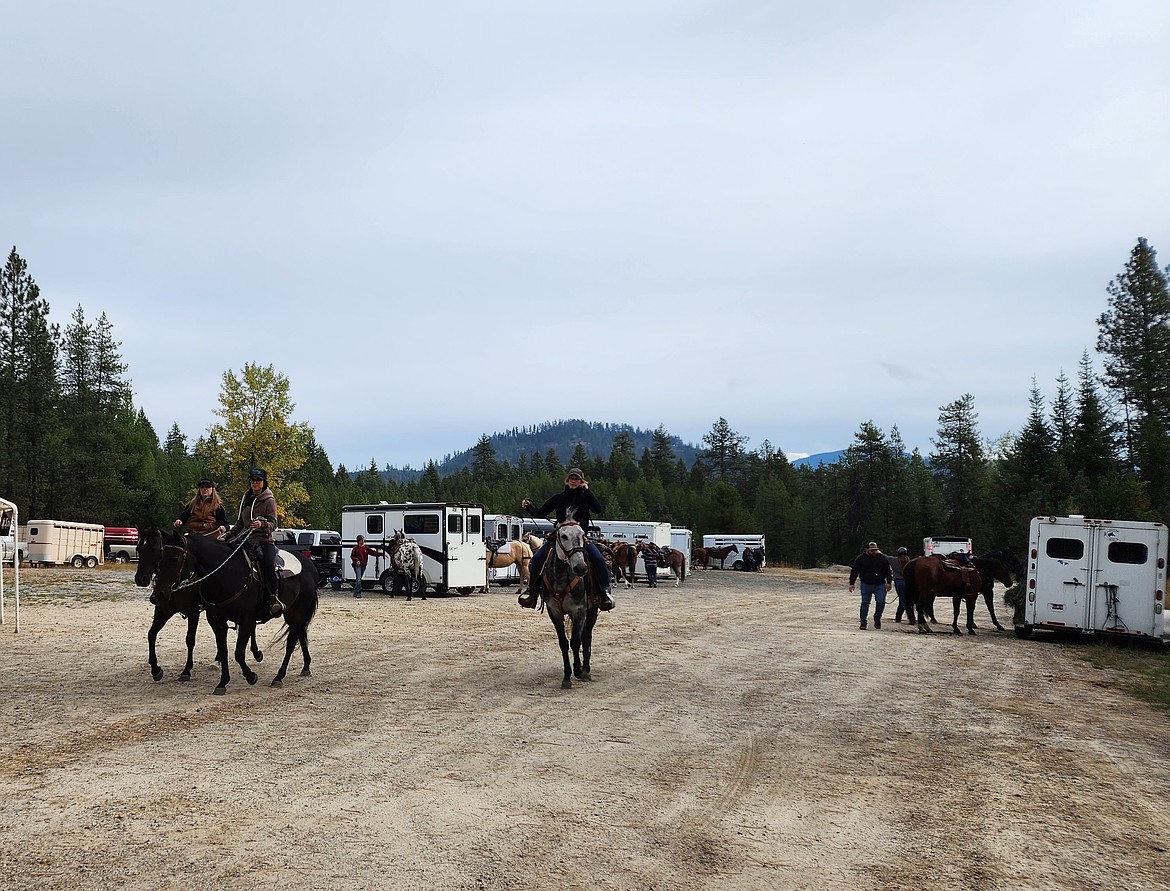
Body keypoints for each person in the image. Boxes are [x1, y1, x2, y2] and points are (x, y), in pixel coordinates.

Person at [518, 467, 614, 610]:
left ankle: (605, 592)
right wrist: (529, 507)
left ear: (582, 481)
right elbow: (541, 512)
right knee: (537, 558)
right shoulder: (559, 497)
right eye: (571, 479)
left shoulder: (585, 496)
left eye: (576, 479)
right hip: (561, 537)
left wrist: (587, 491)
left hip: (580, 537)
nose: (573, 481)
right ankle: (532, 592)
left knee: (599, 559)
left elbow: (597, 509)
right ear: (567, 480)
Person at [226, 468, 282, 620]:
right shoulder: (246, 498)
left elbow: (273, 523)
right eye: (253, 480)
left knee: (268, 564)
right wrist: (227, 536)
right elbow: (239, 523)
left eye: (258, 480)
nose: (255, 483)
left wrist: (262, 525)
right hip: (244, 538)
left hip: (263, 540)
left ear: (264, 482)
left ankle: (273, 597)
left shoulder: (269, 500)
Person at [848, 541, 893, 630]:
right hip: (866, 584)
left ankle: (877, 618)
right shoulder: (860, 559)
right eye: (872, 550)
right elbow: (855, 571)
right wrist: (851, 583)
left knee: (881, 602)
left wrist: (889, 583)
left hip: (880, 584)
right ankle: (863, 622)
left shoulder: (882, 558)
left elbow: (888, 571)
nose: (874, 552)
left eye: (875, 550)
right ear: (866, 550)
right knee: (865, 603)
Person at [349, 535, 385, 599]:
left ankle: (355, 592)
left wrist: (382, 554)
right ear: (359, 541)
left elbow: (374, 553)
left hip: (363, 565)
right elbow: (352, 556)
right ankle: (358, 593)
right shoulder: (355, 549)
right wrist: (356, 560)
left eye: (363, 540)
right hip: (357, 565)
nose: (363, 541)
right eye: (362, 540)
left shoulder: (366, 548)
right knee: (359, 579)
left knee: (358, 579)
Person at [890, 547, 916, 624]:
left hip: (898, 582)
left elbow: (885, 556)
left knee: (903, 600)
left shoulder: (894, 560)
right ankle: (898, 616)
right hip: (909, 582)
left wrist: (878, 551)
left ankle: (911, 618)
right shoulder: (910, 562)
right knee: (905, 599)